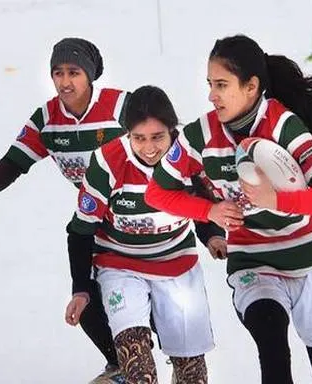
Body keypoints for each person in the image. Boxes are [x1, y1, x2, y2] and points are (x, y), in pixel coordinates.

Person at [145, 35, 312, 384]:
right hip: (254, 260)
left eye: (221, 85)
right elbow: (157, 193)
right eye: (209, 85)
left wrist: (277, 200)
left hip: (311, 256)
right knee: (273, 348)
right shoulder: (199, 135)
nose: (211, 95)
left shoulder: (283, 125)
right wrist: (210, 211)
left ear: (251, 87)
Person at [0, 37, 130, 383]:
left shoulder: (119, 107)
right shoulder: (48, 119)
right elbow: (17, 157)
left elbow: (165, 138)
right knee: (86, 300)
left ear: (89, 76)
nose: (65, 81)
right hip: (95, 225)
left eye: (73, 72)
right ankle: (121, 366)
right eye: (58, 73)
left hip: (139, 219)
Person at [65, 85, 225, 384]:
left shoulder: (189, 158)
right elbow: (80, 230)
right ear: (127, 134)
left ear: (172, 131)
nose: (149, 148)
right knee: (140, 374)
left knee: (193, 377)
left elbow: (205, 206)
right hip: (120, 265)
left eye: (157, 137)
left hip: (177, 264)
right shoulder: (107, 162)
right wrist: (81, 289)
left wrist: (213, 236)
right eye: (139, 138)